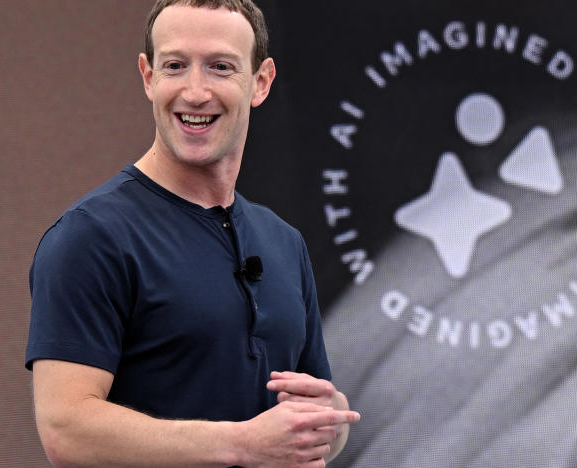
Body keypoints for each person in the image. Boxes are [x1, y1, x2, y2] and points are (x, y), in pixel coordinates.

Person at [25, 1, 360, 467]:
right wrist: (244, 444)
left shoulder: (285, 243)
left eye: (220, 68)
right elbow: (66, 430)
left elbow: (315, 424)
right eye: (175, 66)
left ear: (260, 82)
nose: (195, 92)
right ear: (148, 77)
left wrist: (333, 418)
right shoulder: (90, 238)